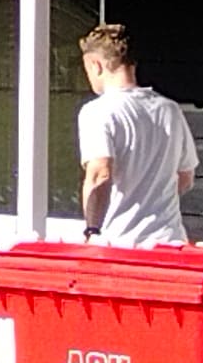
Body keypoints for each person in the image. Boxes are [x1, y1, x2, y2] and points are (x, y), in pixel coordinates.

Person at [76, 23, 195, 247]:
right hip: (170, 242)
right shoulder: (169, 109)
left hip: (122, 244)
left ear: (96, 65)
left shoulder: (97, 111)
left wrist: (92, 230)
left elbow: (100, 174)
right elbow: (186, 176)